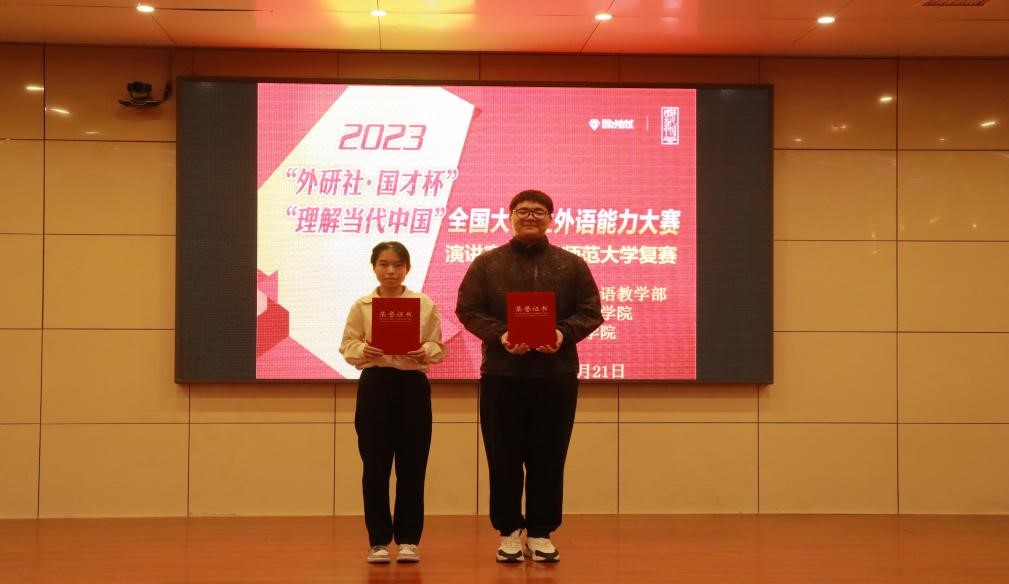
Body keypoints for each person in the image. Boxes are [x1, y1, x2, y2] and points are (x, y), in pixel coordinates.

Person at [455, 189, 603, 563]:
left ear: (551, 218)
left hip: (556, 375)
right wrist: (501, 335)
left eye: (539, 211)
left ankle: (540, 532)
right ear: (510, 216)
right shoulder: (487, 263)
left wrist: (562, 333)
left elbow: (591, 312)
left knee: (549, 457)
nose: (530, 216)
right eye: (523, 211)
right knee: (502, 456)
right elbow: (468, 310)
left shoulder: (571, 264)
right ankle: (508, 531)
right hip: (502, 374)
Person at [340, 241, 445, 564]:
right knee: (375, 467)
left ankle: (409, 540)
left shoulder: (423, 304)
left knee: (413, 465)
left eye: (397, 265)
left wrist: (424, 351)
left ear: (407, 269)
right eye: (384, 264)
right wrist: (364, 350)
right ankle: (379, 541)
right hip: (375, 385)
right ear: (374, 267)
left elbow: (437, 346)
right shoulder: (363, 305)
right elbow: (348, 345)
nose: (390, 271)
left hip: (413, 387)